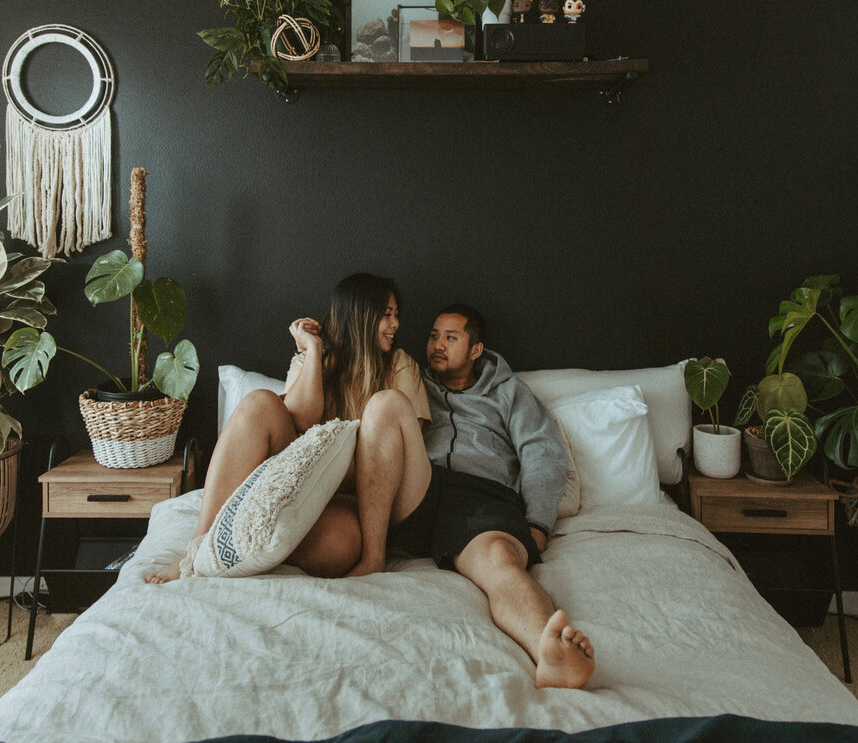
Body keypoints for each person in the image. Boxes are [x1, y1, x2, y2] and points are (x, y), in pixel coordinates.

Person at [346, 304, 596, 689]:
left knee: (501, 561)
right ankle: (373, 555)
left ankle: (549, 651)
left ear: (476, 349)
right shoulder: (411, 378)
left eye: (451, 337)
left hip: (481, 497)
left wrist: (538, 523)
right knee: (385, 404)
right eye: (433, 336)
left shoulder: (510, 393)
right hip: (421, 489)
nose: (437, 346)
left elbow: (542, 454)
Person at [145, 273, 430, 583]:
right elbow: (302, 419)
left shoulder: (400, 365)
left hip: (358, 500)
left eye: (396, 316)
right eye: (386, 316)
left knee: (334, 549)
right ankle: (196, 548)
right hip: (306, 483)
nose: (395, 325)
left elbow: (397, 455)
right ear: (360, 316)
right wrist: (313, 351)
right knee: (260, 403)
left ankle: (363, 557)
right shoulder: (312, 358)